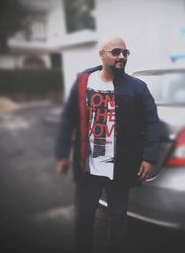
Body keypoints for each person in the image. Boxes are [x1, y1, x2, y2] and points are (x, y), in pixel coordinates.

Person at [54, 36, 159, 253]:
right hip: (88, 165)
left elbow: (151, 121)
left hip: (120, 165)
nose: (122, 56)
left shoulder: (137, 87)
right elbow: (69, 118)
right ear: (102, 55)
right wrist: (63, 152)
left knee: (118, 217)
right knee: (84, 218)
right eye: (116, 52)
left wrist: (149, 157)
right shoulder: (84, 82)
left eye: (125, 53)